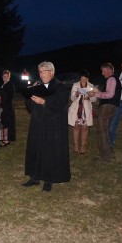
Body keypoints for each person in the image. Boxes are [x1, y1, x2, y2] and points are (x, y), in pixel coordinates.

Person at [22, 61, 70, 192]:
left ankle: (49, 180)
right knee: (36, 149)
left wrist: (44, 102)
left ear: (52, 72)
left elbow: (61, 107)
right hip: (37, 123)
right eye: (40, 72)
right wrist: (29, 94)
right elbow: (30, 107)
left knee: (49, 151)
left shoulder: (60, 87)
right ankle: (35, 177)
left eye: (44, 71)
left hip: (52, 126)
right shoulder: (39, 86)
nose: (41, 74)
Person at [88, 63, 121, 162]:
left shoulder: (111, 79)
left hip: (107, 106)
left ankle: (105, 156)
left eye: (103, 71)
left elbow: (110, 94)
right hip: (111, 106)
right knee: (105, 131)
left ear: (109, 70)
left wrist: (95, 94)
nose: (102, 73)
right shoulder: (113, 79)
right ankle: (109, 153)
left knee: (101, 131)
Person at [67, 69, 96, 154]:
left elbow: (94, 99)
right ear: (80, 78)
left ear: (88, 78)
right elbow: (72, 98)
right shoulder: (75, 85)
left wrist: (90, 97)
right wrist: (76, 94)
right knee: (76, 127)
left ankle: (83, 146)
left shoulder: (91, 86)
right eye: (82, 78)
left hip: (86, 109)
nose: (83, 80)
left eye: (85, 78)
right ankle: (76, 146)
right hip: (77, 109)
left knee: (84, 128)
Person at [0, 70, 16, 147]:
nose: (5, 78)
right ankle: (3, 138)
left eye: (7, 77)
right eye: (4, 76)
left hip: (7, 107)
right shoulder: (3, 85)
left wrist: (2, 105)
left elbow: (10, 96)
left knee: (7, 122)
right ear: (2, 77)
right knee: (3, 122)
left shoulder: (10, 85)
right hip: (3, 106)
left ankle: (6, 140)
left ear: (9, 77)